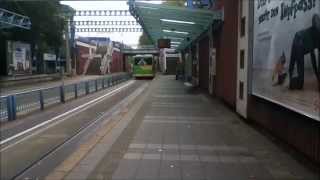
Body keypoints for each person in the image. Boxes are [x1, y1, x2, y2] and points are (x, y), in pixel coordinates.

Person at [288, 14, 320, 90]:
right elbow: (313, 61)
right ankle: (291, 81)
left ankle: (291, 79)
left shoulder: (314, 38)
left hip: (299, 39)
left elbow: (314, 60)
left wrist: (317, 77)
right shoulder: (313, 35)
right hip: (299, 40)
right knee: (300, 84)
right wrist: (318, 77)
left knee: (293, 61)